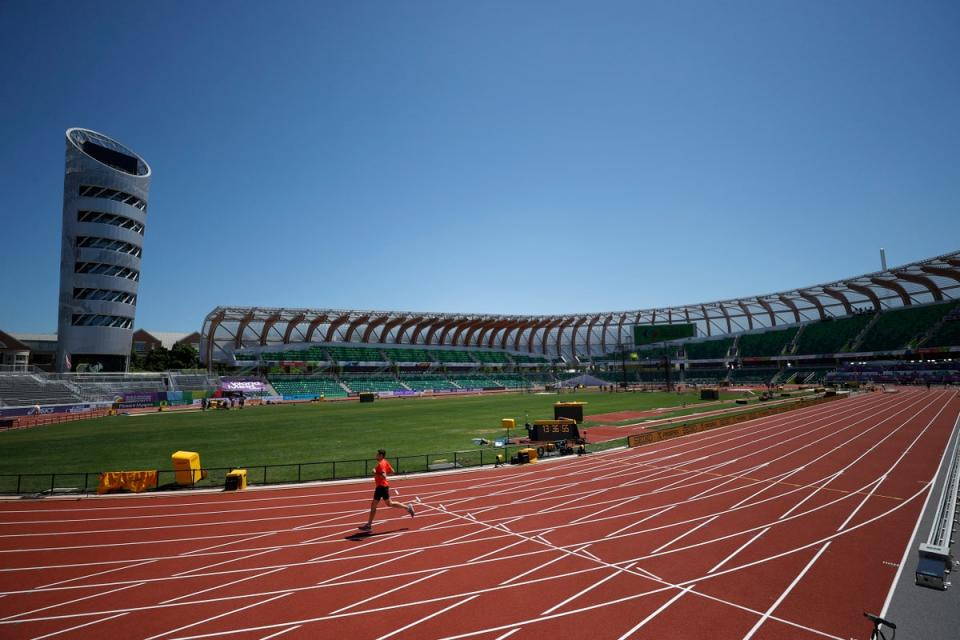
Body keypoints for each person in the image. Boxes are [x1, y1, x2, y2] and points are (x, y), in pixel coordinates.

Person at [359, 449, 415, 531]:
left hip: (381, 487)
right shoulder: (385, 461)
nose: (376, 455)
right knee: (389, 503)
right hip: (383, 486)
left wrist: (375, 472)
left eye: (377, 454)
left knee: (374, 505)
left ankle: (369, 525)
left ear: (381, 455)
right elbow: (392, 471)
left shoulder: (381, 464)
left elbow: (384, 476)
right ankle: (408, 507)